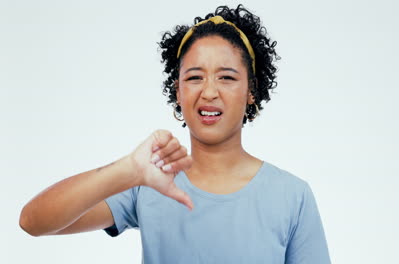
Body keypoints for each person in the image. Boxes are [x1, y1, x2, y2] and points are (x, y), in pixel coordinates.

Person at [19, 4, 331, 263]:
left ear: (251, 90)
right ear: (178, 92)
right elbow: (33, 222)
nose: (209, 91)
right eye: (195, 77)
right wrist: (127, 170)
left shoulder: (292, 196)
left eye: (226, 77)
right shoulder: (149, 182)